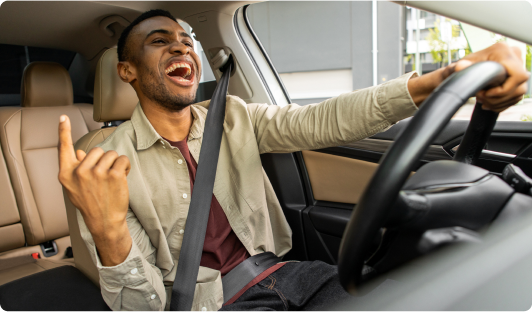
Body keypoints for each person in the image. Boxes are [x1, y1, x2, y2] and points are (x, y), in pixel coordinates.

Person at [57, 9, 529, 312]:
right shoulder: (97, 161)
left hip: (288, 274)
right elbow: (142, 308)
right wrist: (108, 232)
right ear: (127, 71)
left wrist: (437, 81)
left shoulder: (234, 115)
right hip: (208, 305)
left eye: (185, 40)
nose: (181, 46)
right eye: (160, 41)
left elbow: (323, 120)